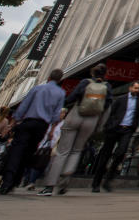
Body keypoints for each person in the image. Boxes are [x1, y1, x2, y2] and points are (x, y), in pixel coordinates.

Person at [39, 63, 113, 195]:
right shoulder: (107, 87)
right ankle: (65, 181)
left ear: (92, 73)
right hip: (92, 120)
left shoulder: (85, 82)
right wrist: (100, 126)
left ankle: (49, 186)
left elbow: (71, 98)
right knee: (77, 150)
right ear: (105, 74)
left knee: (62, 152)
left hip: (76, 114)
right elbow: (107, 108)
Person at [0, 68, 66, 195]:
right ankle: (16, 181)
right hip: (42, 126)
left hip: (27, 122)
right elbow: (56, 115)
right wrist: (51, 130)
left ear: (49, 77)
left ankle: (6, 182)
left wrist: (13, 122)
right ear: (60, 80)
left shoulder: (37, 89)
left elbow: (24, 106)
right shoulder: (61, 93)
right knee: (28, 152)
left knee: (16, 151)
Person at [90, 80, 139, 193]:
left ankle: (108, 180)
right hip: (114, 129)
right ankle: (96, 183)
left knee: (121, 152)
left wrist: (134, 127)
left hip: (127, 130)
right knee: (105, 155)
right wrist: (108, 127)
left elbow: (138, 116)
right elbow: (111, 113)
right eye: (135, 88)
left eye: (138, 89)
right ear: (130, 88)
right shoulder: (121, 99)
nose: (137, 90)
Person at [24, 108, 67, 190]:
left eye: (64, 114)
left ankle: (47, 183)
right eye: (61, 113)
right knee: (38, 164)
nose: (62, 115)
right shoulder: (49, 122)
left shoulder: (64, 124)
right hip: (43, 146)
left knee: (48, 166)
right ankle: (31, 182)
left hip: (54, 148)